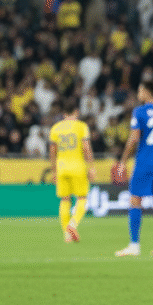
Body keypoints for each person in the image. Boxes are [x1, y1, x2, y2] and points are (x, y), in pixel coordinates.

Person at [114, 80, 153, 257]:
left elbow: (134, 138)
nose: (138, 94)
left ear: (147, 91)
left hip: (144, 163)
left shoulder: (140, 112)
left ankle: (134, 245)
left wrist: (122, 161)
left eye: (140, 90)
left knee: (135, 201)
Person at [48, 99, 95, 244]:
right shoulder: (81, 126)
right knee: (82, 198)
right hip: (78, 167)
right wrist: (91, 167)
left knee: (64, 199)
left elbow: (52, 152)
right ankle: (72, 225)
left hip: (62, 168)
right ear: (77, 112)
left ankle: (67, 235)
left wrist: (54, 171)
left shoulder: (55, 128)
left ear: (63, 113)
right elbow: (86, 148)